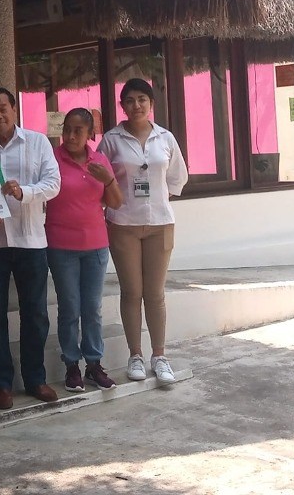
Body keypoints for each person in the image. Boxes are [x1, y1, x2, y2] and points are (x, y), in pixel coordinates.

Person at [0, 86, 61, 409]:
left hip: (30, 239)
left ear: (14, 109)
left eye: (3, 108)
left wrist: (23, 193)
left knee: (36, 313)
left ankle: (35, 378)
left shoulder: (38, 142)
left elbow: (53, 184)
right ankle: (1, 384)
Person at [97, 78, 188, 385]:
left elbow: (177, 177)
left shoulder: (165, 137)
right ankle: (135, 355)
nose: (136, 105)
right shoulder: (111, 140)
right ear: (122, 106)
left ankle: (159, 356)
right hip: (123, 224)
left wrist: (157, 198)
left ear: (151, 104)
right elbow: (100, 180)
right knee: (132, 292)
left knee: (155, 293)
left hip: (160, 223)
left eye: (142, 99)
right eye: (130, 100)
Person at [46, 107, 123, 392]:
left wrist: (108, 179)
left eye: (78, 130)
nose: (70, 136)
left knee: (92, 308)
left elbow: (115, 202)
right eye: (66, 129)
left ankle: (94, 364)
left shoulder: (100, 161)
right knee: (69, 308)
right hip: (61, 246)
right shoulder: (52, 159)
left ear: (91, 133)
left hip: (96, 246)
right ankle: (71, 365)